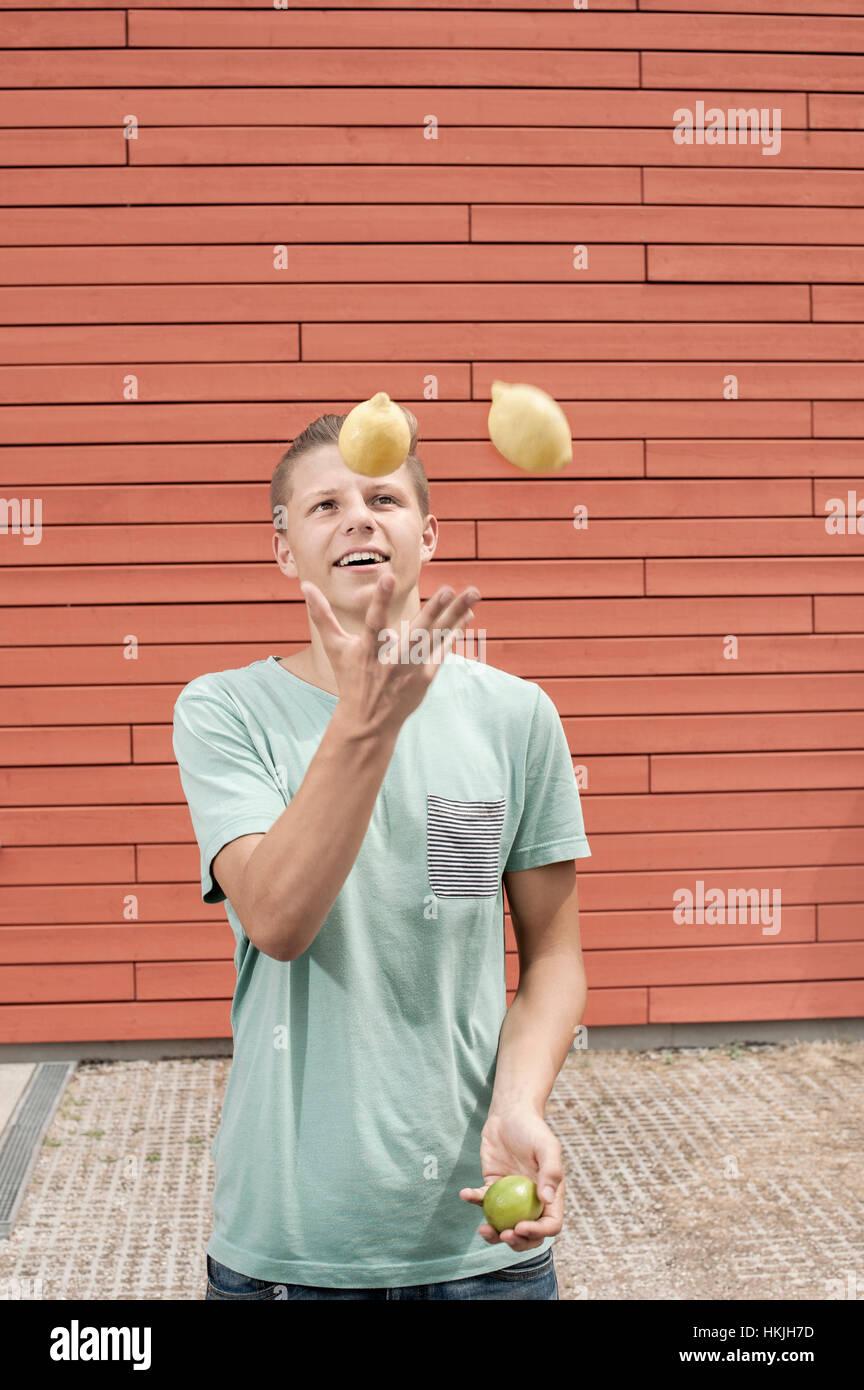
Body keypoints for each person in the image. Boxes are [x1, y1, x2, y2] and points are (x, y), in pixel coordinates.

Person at [172, 406, 591, 1300]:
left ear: (426, 533)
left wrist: (519, 1103)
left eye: (383, 498)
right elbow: (279, 920)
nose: (359, 516)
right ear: (285, 551)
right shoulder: (224, 712)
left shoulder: (516, 717)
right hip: (291, 1250)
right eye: (323, 506)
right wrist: (367, 724)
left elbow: (553, 960)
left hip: (483, 1246)